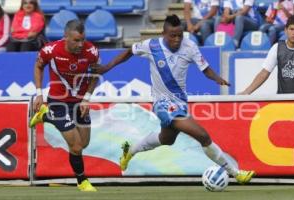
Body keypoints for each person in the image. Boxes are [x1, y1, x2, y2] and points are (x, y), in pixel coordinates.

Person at [96, 14, 255, 183]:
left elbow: (205, 68)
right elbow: (129, 51)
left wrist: (216, 78)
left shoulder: (190, 46)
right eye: (173, 35)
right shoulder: (151, 45)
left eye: (180, 35)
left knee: (166, 139)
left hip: (180, 102)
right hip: (161, 103)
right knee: (202, 136)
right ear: (164, 34)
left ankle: (130, 151)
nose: (177, 39)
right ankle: (236, 173)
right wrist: (107, 66)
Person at [29, 19, 100, 192]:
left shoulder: (91, 51)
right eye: (76, 40)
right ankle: (82, 181)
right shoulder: (51, 50)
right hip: (58, 101)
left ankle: (45, 116)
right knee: (75, 147)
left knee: (84, 143)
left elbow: (95, 74)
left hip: (80, 102)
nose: (80, 44)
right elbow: (38, 67)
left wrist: (87, 99)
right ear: (65, 37)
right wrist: (39, 93)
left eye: (82, 39)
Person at [240, 15, 294, 94]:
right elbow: (264, 73)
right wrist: (246, 92)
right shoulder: (277, 48)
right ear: (285, 30)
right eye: (292, 29)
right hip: (284, 100)